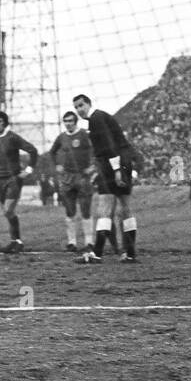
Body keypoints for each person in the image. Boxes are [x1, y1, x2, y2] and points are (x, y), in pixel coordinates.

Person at [71, 94, 139, 263]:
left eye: (81, 105)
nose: (79, 110)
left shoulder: (96, 119)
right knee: (124, 208)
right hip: (122, 162)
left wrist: (116, 170)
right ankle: (129, 253)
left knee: (105, 208)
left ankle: (97, 253)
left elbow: (109, 146)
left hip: (113, 165)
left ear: (88, 103)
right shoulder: (100, 117)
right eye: (76, 107)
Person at [0, 111, 38, 254]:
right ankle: (15, 242)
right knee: (7, 212)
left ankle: (17, 241)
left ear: (5, 123)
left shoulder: (12, 137)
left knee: (8, 210)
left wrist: (28, 170)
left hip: (13, 179)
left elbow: (33, 150)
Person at [48, 111, 95, 252]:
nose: (68, 123)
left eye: (70, 121)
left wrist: (92, 166)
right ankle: (72, 242)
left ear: (76, 122)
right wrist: (56, 165)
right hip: (67, 178)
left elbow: (96, 150)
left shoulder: (84, 135)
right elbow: (52, 152)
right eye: (65, 121)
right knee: (70, 211)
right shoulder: (62, 137)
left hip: (82, 177)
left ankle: (89, 242)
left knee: (86, 210)